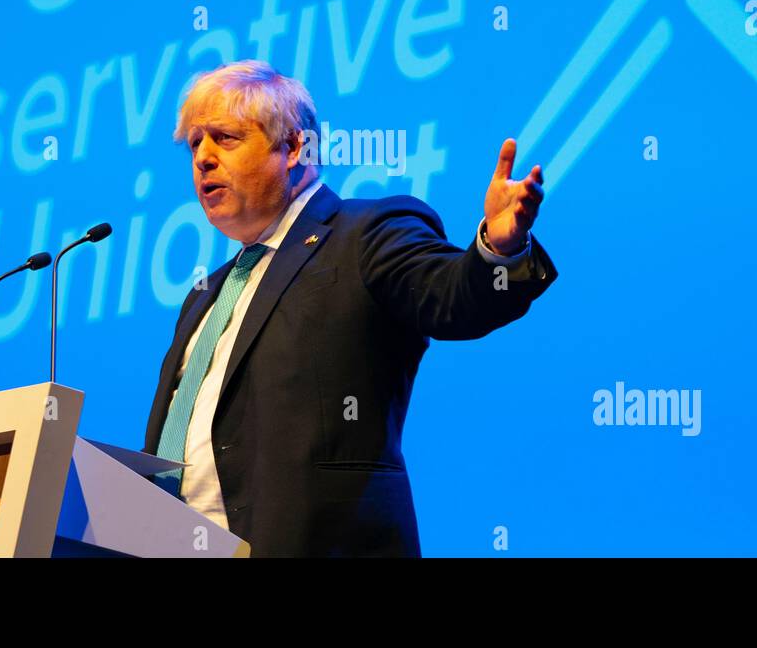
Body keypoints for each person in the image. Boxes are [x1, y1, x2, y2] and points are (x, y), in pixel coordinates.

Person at [143, 60, 557, 556]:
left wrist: (497, 248)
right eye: (195, 143)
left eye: (225, 139)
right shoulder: (205, 294)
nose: (203, 159)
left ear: (295, 146)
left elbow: (455, 297)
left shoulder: (365, 234)